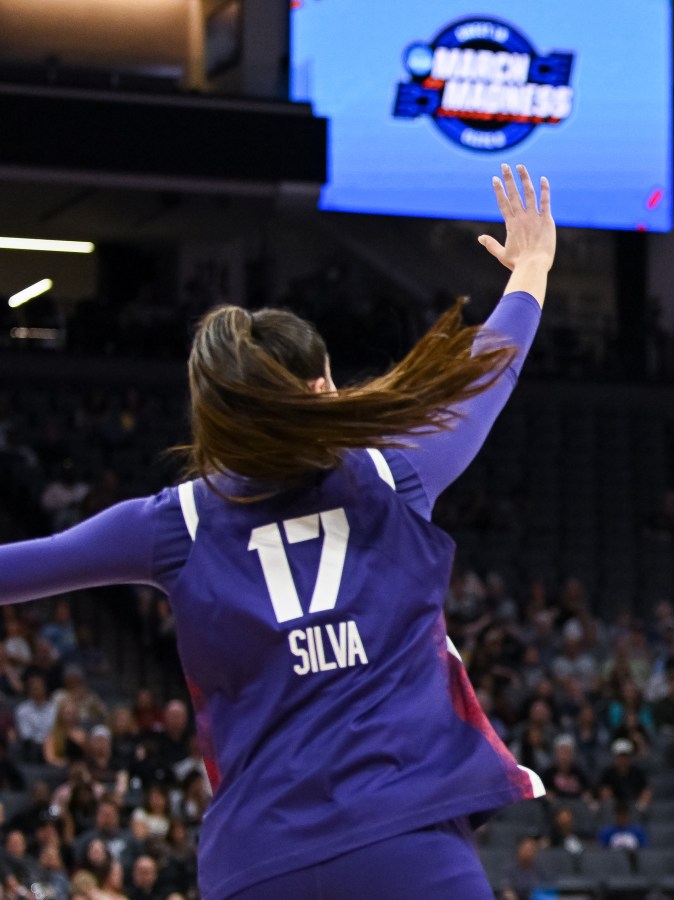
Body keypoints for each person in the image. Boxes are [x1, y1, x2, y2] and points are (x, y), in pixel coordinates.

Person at [0, 164, 556, 900]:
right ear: (322, 388)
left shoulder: (177, 523)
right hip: (408, 843)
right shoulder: (396, 474)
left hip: (258, 862)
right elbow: (491, 369)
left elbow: (17, 567)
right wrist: (532, 270)